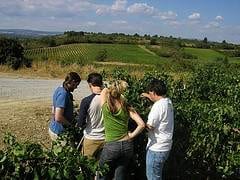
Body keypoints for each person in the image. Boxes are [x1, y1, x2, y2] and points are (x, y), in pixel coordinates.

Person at [99, 80, 145, 180]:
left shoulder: (106, 106)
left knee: (102, 174)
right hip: (127, 145)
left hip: (111, 145)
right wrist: (131, 135)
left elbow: (104, 91)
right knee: (120, 175)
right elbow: (141, 124)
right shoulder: (127, 107)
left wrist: (111, 87)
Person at [141, 79, 174, 180]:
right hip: (165, 147)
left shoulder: (157, 106)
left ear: (154, 92)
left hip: (156, 148)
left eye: (150, 93)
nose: (149, 95)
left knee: (152, 177)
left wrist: (141, 123)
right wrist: (148, 96)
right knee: (157, 175)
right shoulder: (168, 102)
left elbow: (150, 126)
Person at [76, 72, 105, 159]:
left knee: (86, 166)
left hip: (91, 138)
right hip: (106, 138)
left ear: (90, 84)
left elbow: (80, 123)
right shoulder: (109, 99)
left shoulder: (86, 101)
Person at [48, 72, 81, 141]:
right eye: (76, 85)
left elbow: (53, 110)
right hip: (59, 132)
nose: (76, 87)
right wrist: (71, 125)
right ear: (73, 82)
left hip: (54, 128)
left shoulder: (60, 89)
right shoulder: (63, 94)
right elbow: (58, 117)